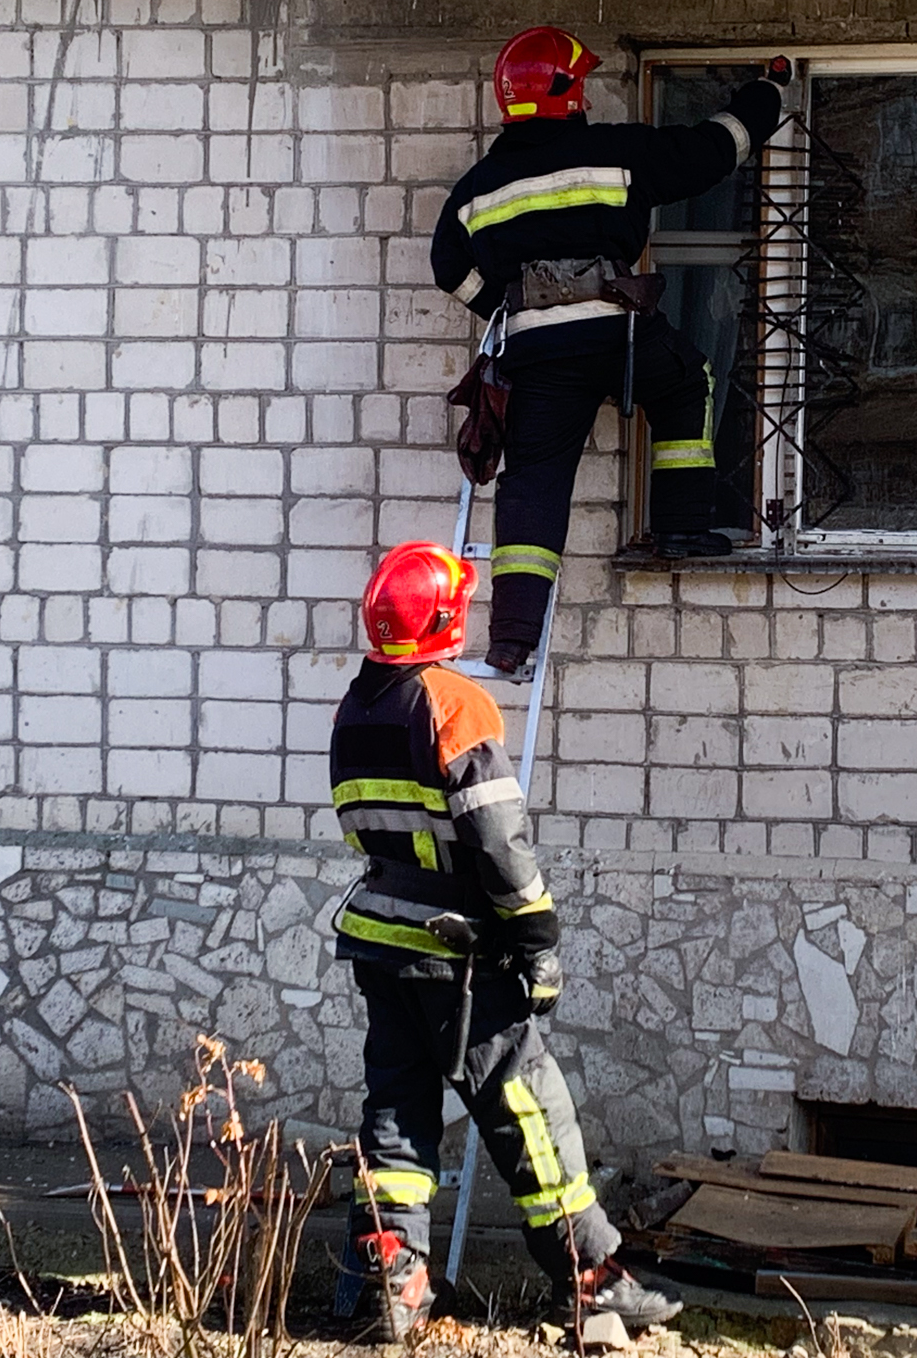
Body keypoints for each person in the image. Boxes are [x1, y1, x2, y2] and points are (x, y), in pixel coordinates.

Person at [330, 541, 683, 1333]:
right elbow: (496, 843)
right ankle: (591, 1276)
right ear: (446, 618)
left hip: (382, 946)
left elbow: (361, 825)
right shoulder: (454, 703)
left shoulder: (354, 708)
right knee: (529, 1107)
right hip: (461, 955)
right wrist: (537, 937)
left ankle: (393, 1281)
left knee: (396, 1111)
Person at [431, 26, 791, 672]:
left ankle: (513, 637)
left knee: (534, 485)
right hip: (617, 332)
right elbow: (712, 152)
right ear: (567, 94)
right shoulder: (618, 151)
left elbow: (448, 266)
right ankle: (681, 524)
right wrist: (766, 92)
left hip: (536, 354)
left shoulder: (476, 189)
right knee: (686, 383)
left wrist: (510, 305)